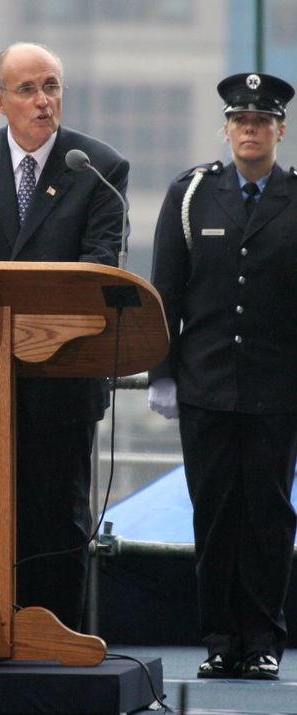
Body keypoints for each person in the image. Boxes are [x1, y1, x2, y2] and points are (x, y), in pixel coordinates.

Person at [0, 42, 129, 631]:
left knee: (55, 524)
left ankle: (53, 641)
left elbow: (98, 265)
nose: (43, 101)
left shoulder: (97, 167)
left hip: (58, 380)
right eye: (28, 89)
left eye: (52, 86)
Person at [148, 72, 297, 680]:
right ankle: (218, 639)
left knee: (268, 517)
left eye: (262, 121)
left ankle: (262, 640)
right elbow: (165, 289)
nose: (250, 130)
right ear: (226, 129)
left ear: (280, 130)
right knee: (212, 516)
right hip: (205, 386)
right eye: (240, 121)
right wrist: (161, 373)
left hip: (277, 389)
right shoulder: (191, 194)